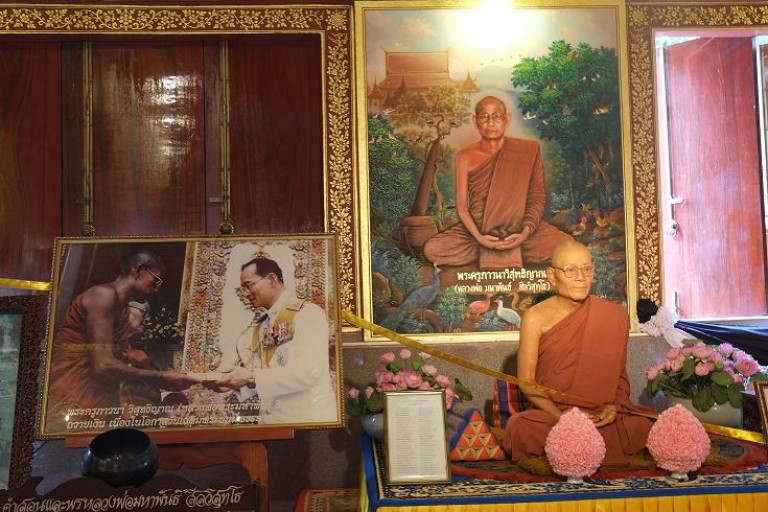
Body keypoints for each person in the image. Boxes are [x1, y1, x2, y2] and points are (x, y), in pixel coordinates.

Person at [503, 241, 653, 465]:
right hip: (555, 414)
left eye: (586, 269)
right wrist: (562, 418)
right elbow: (527, 382)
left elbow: (620, 377)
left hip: (601, 415)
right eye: (570, 270)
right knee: (520, 427)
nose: (581, 277)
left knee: (645, 425)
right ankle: (585, 446)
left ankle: (581, 447)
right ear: (552, 276)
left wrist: (613, 408)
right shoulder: (535, 318)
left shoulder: (613, 315)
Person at [45, 252, 200, 430]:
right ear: (139, 271)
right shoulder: (103, 296)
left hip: (96, 396)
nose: (157, 288)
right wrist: (161, 377)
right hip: (73, 388)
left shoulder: (122, 309)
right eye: (156, 280)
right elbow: (103, 365)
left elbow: (120, 357)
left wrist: (158, 372)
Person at [423, 96, 572, 269]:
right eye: (484, 116)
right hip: (478, 229)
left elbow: (537, 197)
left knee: (566, 246)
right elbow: (462, 207)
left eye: (497, 116)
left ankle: (498, 249)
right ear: (475, 120)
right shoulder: (464, 156)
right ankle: (496, 248)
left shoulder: (528, 150)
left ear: (507, 119)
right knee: (432, 249)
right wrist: (479, 238)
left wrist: (524, 233)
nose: (491, 123)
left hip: (520, 229)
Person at [205, 257, 338, 424]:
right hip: (272, 421)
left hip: (308, 421)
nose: (245, 293)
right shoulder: (263, 324)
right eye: (242, 288)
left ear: (272, 279)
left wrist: (250, 377)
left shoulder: (307, 313)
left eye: (248, 285)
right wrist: (234, 383)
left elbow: (308, 373)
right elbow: (265, 373)